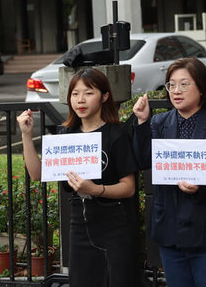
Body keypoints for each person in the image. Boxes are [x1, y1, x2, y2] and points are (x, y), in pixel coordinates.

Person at [17, 68, 143, 287]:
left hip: (115, 226)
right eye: (75, 94)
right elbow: (37, 174)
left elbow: (129, 187)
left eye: (88, 93)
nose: (80, 100)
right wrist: (27, 136)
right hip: (80, 224)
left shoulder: (117, 134)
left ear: (104, 96)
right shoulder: (66, 135)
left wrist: (96, 189)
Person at [131, 58, 206, 287]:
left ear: (201, 87)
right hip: (171, 227)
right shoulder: (159, 122)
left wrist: (202, 185)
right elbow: (143, 160)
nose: (176, 91)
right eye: (171, 85)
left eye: (184, 84)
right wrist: (142, 121)